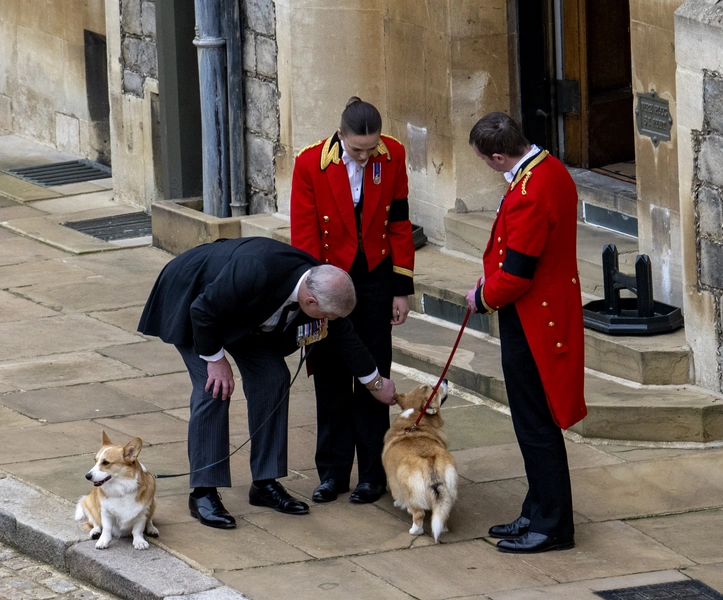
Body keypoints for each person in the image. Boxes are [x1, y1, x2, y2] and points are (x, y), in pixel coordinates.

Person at [138, 237, 397, 529]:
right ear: (310, 302)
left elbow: (345, 336)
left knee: (273, 377)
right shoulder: (257, 270)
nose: (329, 321)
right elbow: (203, 311)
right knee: (214, 389)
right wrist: (216, 360)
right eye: (326, 316)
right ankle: (203, 494)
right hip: (192, 300)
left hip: (245, 316)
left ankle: (264, 483)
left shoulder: (320, 285)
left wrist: (376, 383)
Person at [464, 112, 587, 554]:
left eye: (484, 160)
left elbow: (516, 275)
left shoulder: (529, 192)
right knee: (532, 420)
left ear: (499, 155)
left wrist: (481, 297)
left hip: (535, 320)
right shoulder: (546, 168)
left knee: (535, 423)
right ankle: (536, 510)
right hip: (538, 312)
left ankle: (553, 526)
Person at [290, 97, 415, 504]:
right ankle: (332, 473)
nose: (365, 157)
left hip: (376, 276)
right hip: (328, 279)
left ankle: (372, 475)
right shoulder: (310, 163)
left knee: (374, 372)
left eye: (370, 149)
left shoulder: (392, 153)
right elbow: (305, 237)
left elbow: (399, 224)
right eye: (357, 149)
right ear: (340, 135)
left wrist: (401, 289)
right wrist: (313, 295)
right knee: (329, 375)